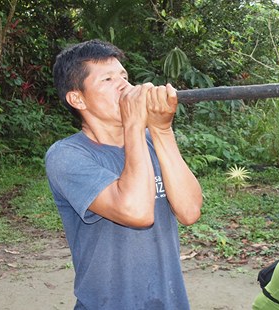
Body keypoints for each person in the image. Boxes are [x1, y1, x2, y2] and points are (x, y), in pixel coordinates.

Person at [45, 39, 203, 309]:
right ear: (77, 98)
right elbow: (136, 213)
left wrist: (162, 131)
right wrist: (134, 123)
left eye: (124, 76)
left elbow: (190, 211)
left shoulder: (153, 140)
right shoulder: (67, 156)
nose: (124, 86)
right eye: (107, 79)